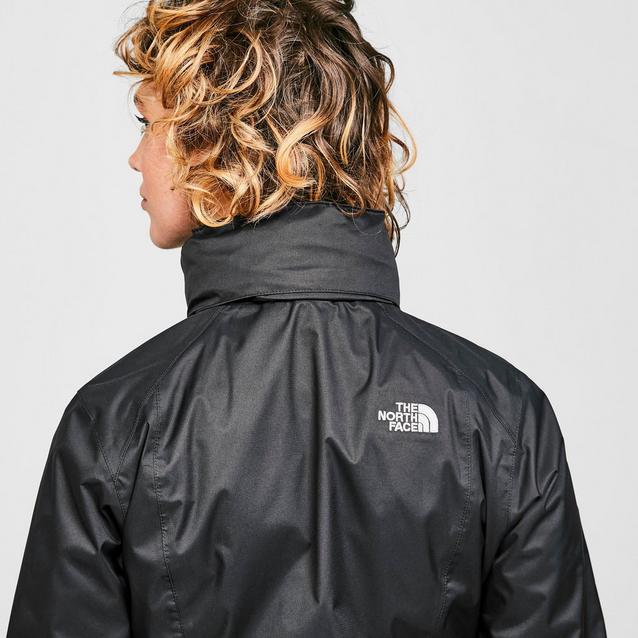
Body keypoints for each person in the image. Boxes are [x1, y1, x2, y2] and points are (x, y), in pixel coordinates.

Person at [7, 1, 607, 636]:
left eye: (147, 123)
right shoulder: (503, 415)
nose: (135, 157)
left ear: (213, 139)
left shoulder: (116, 419)